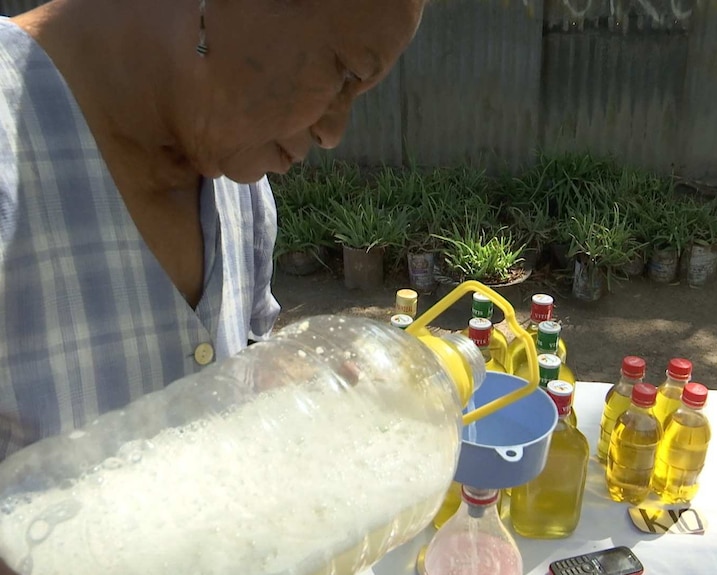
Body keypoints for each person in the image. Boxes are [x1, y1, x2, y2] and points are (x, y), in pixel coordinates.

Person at [0, 0, 425, 461]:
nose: (332, 132)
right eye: (345, 72)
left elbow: (236, 377)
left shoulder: (241, 187)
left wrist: (277, 382)